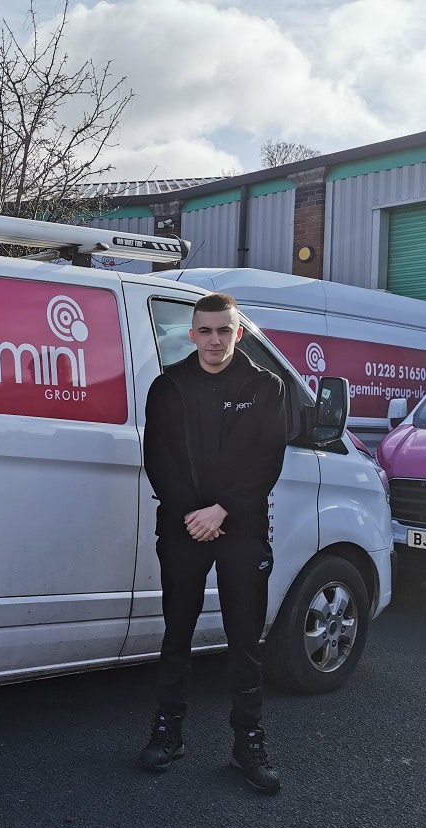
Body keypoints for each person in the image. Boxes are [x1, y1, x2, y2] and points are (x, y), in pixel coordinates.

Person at [139, 292, 288, 794]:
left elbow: (267, 461)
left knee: (244, 641)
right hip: (182, 526)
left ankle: (249, 743)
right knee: (176, 633)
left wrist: (222, 510)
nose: (214, 340)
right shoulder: (168, 386)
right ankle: (168, 732)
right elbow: (158, 459)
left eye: (224, 330)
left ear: (238, 333)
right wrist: (192, 515)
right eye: (205, 331)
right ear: (192, 334)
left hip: (241, 528)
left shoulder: (265, 386)